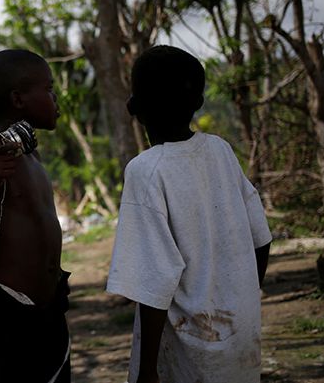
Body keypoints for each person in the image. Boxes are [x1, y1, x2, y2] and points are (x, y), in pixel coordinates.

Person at [105, 45, 272, 383]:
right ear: (198, 101)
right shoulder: (221, 151)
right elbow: (261, 239)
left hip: (186, 353)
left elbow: (153, 280)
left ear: (133, 107)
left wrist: (147, 370)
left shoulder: (146, 171)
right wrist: (242, 300)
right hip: (239, 338)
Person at [0, 49, 71, 383]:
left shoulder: (28, 152)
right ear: (18, 98)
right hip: (8, 312)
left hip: (49, 308)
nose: (56, 97)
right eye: (49, 89)